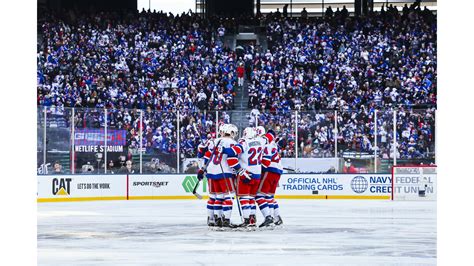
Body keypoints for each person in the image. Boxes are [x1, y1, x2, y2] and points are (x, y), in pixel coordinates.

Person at [197, 124, 239, 228]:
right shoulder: (233, 143)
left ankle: (213, 219)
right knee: (228, 197)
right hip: (225, 172)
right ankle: (226, 219)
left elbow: (204, 155)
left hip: (211, 172)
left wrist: (202, 169)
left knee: (215, 197)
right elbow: (232, 159)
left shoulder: (213, 141)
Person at [256, 126, 283, 226]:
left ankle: (269, 217)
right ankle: (276, 217)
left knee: (259, 196)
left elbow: (266, 162)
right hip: (278, 171)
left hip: (269, 171)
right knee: (269, 196)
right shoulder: (272, 143)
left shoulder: (265, 144)